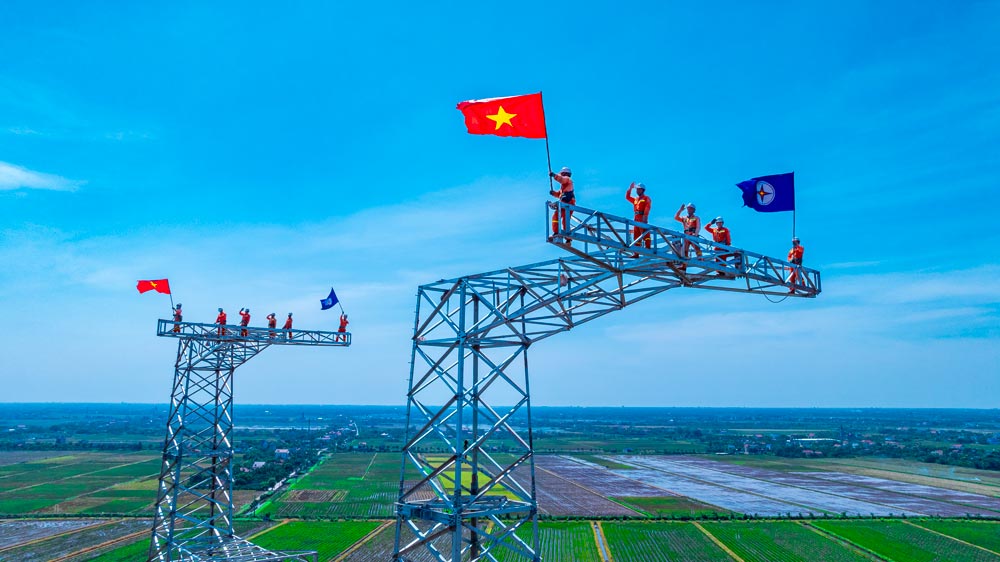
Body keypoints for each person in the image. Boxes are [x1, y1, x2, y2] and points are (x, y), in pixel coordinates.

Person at [549, 166, 575, 240]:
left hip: (568, 203)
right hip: (564, 204)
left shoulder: (567, 179)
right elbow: (559, 195)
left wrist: (554, 175)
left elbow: (561, 179)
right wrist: (553, 193)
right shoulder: (564, 187)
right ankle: (557, 232)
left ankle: (568, 238)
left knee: (565, 220)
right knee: (556, 217)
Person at [625, 182, 652, 250]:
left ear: (642, 190)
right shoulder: (636, 199)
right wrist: (630, 188)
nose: (637, 191)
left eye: (639, 189)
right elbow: (627, 197)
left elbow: (647, 207)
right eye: (637, 189)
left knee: (645, 232)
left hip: (642, 216)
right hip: (636, 217)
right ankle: (636, 252)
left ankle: (648, 247)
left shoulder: (646, 198)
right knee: (636, 235)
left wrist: (645, 217)